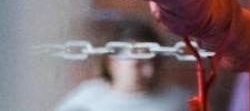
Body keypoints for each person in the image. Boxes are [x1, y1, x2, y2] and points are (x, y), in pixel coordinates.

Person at [51, 19, 192, 111]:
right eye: (138, 64)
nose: (149, 72)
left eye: (153, 62)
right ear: (113, 63)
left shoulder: (180, 101)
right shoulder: (87, 97)